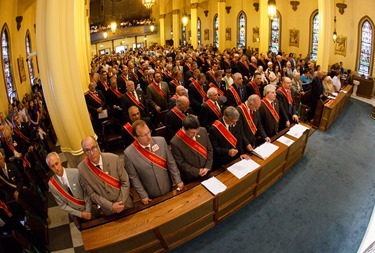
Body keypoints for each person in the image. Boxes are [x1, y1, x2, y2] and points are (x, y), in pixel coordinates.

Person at [124, 120, 184, 204]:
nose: (149, 137)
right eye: (144, 135)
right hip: (150, 195)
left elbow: (171, 163)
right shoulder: (129, 153)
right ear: (135, 137)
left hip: (168, 188)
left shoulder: (161, 141)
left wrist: (178, 180)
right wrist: (143, 195)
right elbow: (134, 178)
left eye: (149, 132)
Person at [78, 136, 133, 215]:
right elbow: (92, 194)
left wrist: (120, 203)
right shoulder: (82, 169)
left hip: (125, 204)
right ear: (84, 153)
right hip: (108, 210)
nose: (92, 153)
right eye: (87, 150)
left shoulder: (114, 159)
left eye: (93, 148)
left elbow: (125, 182)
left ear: (98, 146)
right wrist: (111, 206)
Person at [46, 152, 93, 220]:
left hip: (89, 208)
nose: (56, 168)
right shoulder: (52, 184)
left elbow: (86, 192)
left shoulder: (76, 173)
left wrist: (88, 211)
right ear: (50, 168)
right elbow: (63, 205)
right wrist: (80, 214)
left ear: (60, 160)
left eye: (57, 163)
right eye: (53, 166)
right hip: (75, 215)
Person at [170, 115, 213, 183]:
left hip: (207, 171)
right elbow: (181, 163)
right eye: (192, 132)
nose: (195, 134)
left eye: (197, 131)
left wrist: (207, 166)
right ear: (185, 129)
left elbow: (210, 149)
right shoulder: (175, 142)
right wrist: (197, 171)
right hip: (192, 177)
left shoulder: (202, 130)